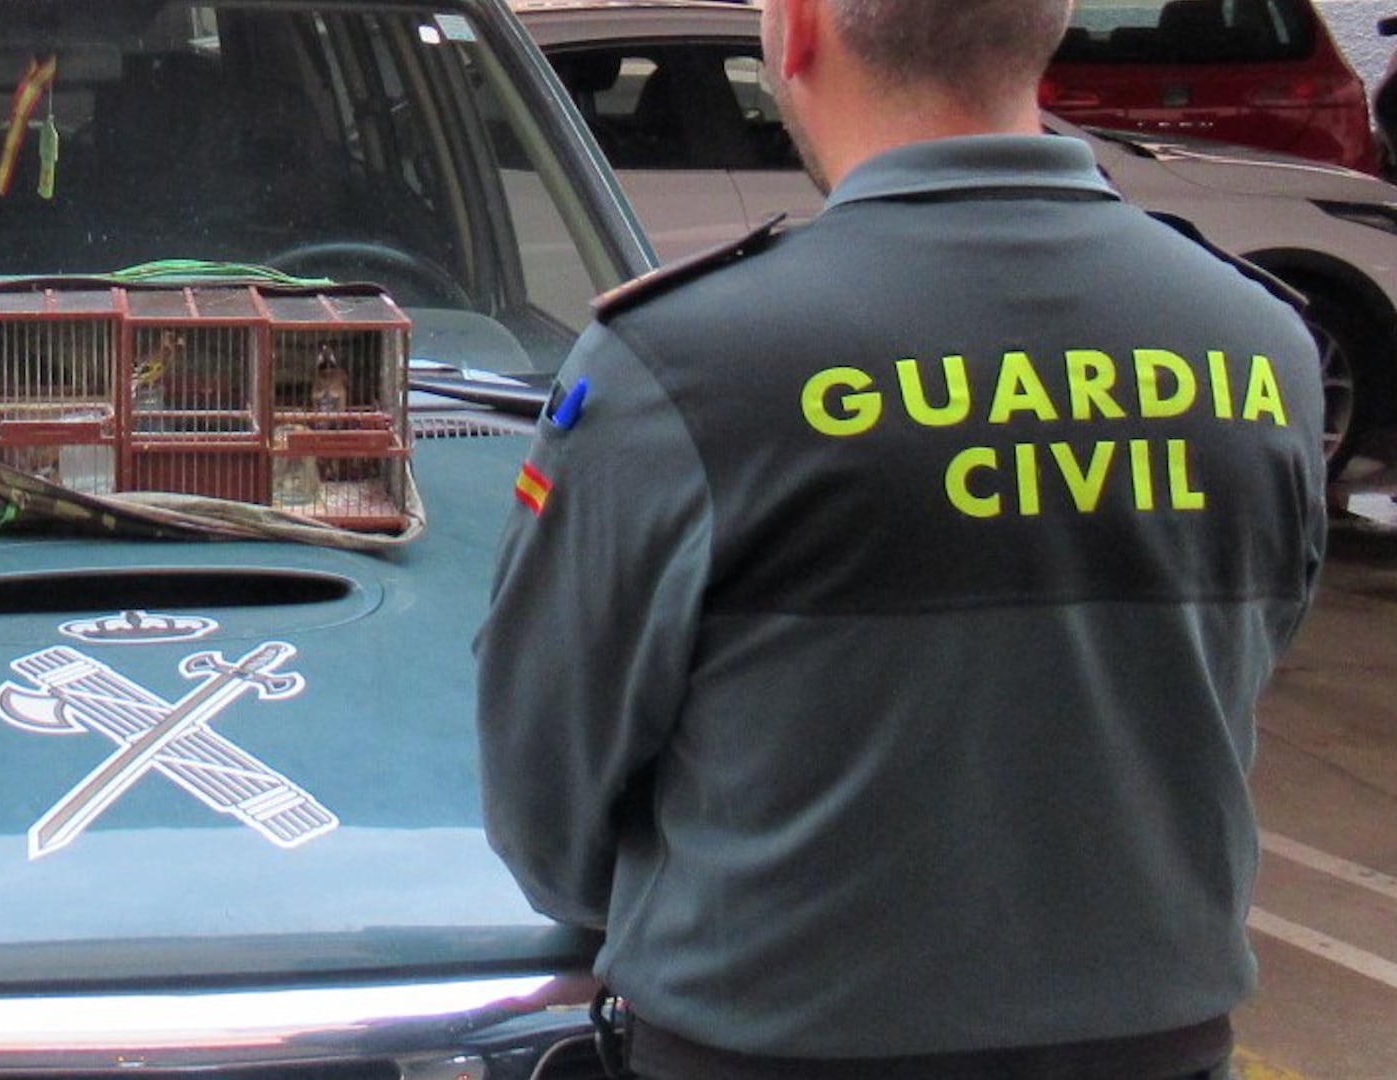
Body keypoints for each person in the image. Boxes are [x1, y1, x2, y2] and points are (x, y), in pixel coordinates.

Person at [472, 0, 1328, 1076]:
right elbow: (1237, 667)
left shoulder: (679, 359)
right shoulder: (1260, 342)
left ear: (796, 29)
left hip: (775, 1043)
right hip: (1156, 1045)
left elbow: (547, 796)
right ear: (1048, 26)